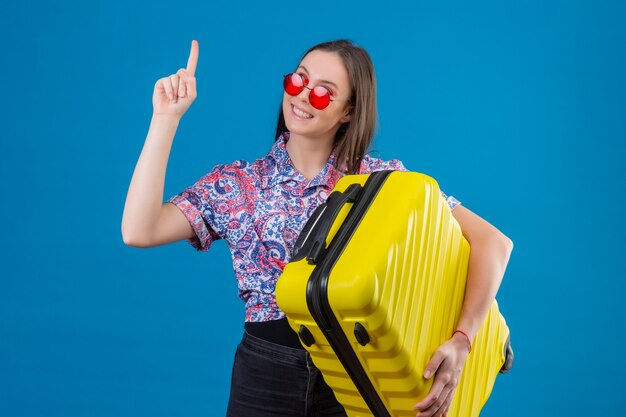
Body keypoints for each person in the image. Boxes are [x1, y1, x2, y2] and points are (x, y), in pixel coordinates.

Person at [121, 38, 513, 417]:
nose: (303, 96)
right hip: (264, 375)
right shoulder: (237, 185)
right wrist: (165, 119)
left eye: (324, 92)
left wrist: (463, 340)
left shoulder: (383, 181)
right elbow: (140, 230)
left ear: (347, 112)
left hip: (355, 371)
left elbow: (494, 243)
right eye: (298, 80)